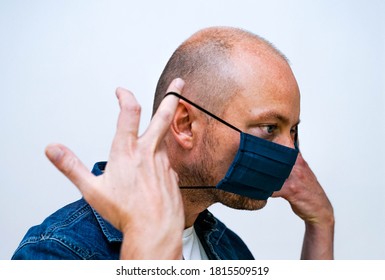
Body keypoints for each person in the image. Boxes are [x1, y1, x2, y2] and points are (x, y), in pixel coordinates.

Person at [12, 26, 334, 260]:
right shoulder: (57, 253)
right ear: (184, 124)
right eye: (269, 127)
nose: (290, 151)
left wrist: (322, 223)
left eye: (292, 131)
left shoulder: (229, 251)